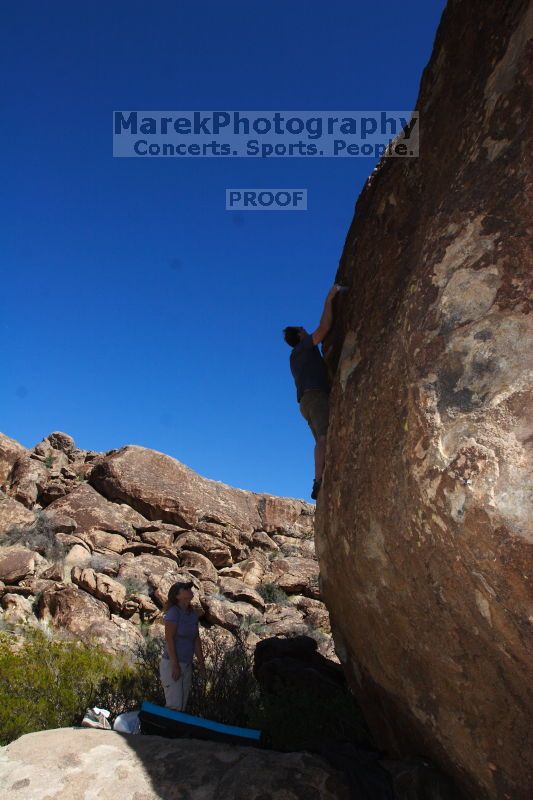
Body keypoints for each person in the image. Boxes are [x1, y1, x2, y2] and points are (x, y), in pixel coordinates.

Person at [283, 284, 342, 500]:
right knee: (324, 438)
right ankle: (318, 480)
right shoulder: (303, 348)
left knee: (321, 438)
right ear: (299, 335)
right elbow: (324, 327)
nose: (306, 331)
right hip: (315, 396)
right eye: (303, 329)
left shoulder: (297, 358)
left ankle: (319, 478)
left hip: (306, 401)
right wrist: (330, 298)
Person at [159, 580, 206, 712]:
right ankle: (164, 732)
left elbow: (196, 639)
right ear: (177, 596)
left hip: (186, 664)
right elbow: (169, 638)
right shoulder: (174, 612)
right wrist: (175, 665)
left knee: (182, 705)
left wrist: (201, 664)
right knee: (174, 704)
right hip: (172, 664)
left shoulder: (192, 614)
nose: (189, 590)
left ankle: (172, 732)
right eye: (185, 588)